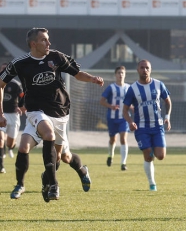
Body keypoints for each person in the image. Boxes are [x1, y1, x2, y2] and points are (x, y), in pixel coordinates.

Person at [0, 27, 104, 201]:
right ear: (33, 44)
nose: (48, 43)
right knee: (25, 145)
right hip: (36, 112)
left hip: (60, 112)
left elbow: (77, 74)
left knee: (63, 157)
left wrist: (92, 78)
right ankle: (28, 185)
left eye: (48, 39)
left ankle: (80, 170)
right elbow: (0, 84)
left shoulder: (56, 57)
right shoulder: (20, 63)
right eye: (44, 40)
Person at [123, 60, 172, 191]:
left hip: (157, 126)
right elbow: (124, 109)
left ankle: (151, 157)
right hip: (141, 127)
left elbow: (167, 101)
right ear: (137, 70)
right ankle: (152, 183)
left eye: (147, 68)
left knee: (160, 156)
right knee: (148, 154)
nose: (145, 70)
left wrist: (167, 117)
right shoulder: (132, 89)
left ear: (150, 69)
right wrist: (130, 122)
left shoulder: (158, 84)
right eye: (142, 67)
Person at [100, 66, 130, 171]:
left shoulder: (128, 88)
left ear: (125, 74)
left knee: (123, 139)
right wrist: (111, 106)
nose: (120, 75)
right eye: (118, 73)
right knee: (113, 139)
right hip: (112, 118)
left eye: (122, 73)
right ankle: (110, 155)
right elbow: (102, 101)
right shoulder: (111, 88)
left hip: (124, 118)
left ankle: (123, 163)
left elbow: (132, 102)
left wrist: (133, 107)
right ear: (115, 75)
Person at [0, 63, 24, 173]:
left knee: (10, 142)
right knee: (0, 139)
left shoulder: (15, 84)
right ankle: (1, 166)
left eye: (6, 69)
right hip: (2, 114)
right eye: (2, 69)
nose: (4, 71)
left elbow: (23, 97)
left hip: (13, 116)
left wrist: (20, 107)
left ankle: (9, 148)